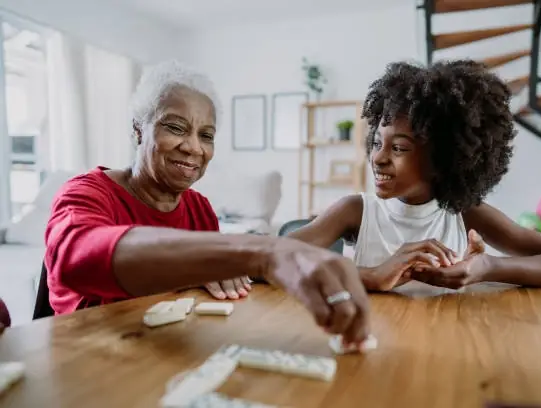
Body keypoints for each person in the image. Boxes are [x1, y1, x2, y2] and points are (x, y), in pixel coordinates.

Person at [44, 61, 369, 345]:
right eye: (175, 127)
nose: (193, 148)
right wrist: (262, 251)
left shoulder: (199, 209)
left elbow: (225, 287)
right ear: (138, 130)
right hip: (90, 358)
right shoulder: (86, 192)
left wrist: (370, 275)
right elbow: (73, 257)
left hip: (170, 352)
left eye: (207, 135)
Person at [288, 60, 541, 296]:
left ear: (442, 160)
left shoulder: (465, 214)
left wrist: (488, 268)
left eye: (398, 147)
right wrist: (370, 276)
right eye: (376, 142)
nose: (378, 157)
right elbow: (272, 260)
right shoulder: (355, 211)